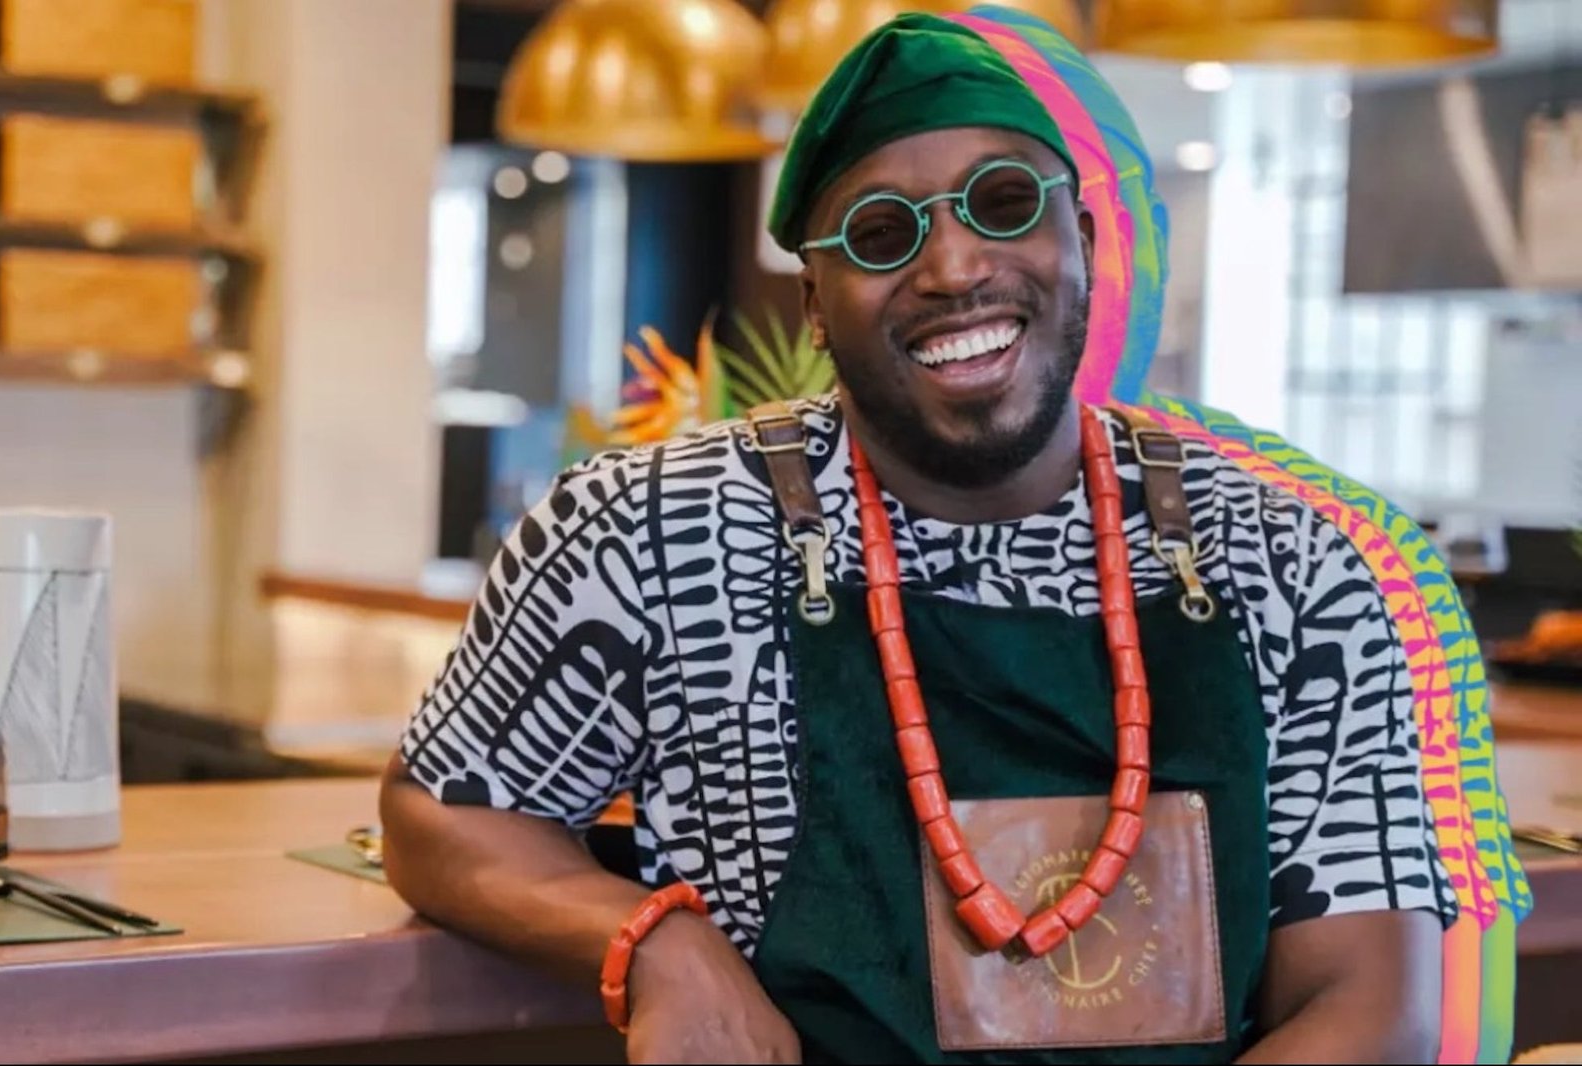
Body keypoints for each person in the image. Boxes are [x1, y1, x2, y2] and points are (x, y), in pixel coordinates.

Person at [379, 13, 1454, 1064]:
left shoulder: (1289, 559)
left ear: (1083, 242)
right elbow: (445, 809)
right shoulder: (650, 529)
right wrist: (651, 937)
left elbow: (1368, 1004)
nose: (953, 269)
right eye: (882, 233)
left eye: (1003, 203)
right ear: (813, 303)